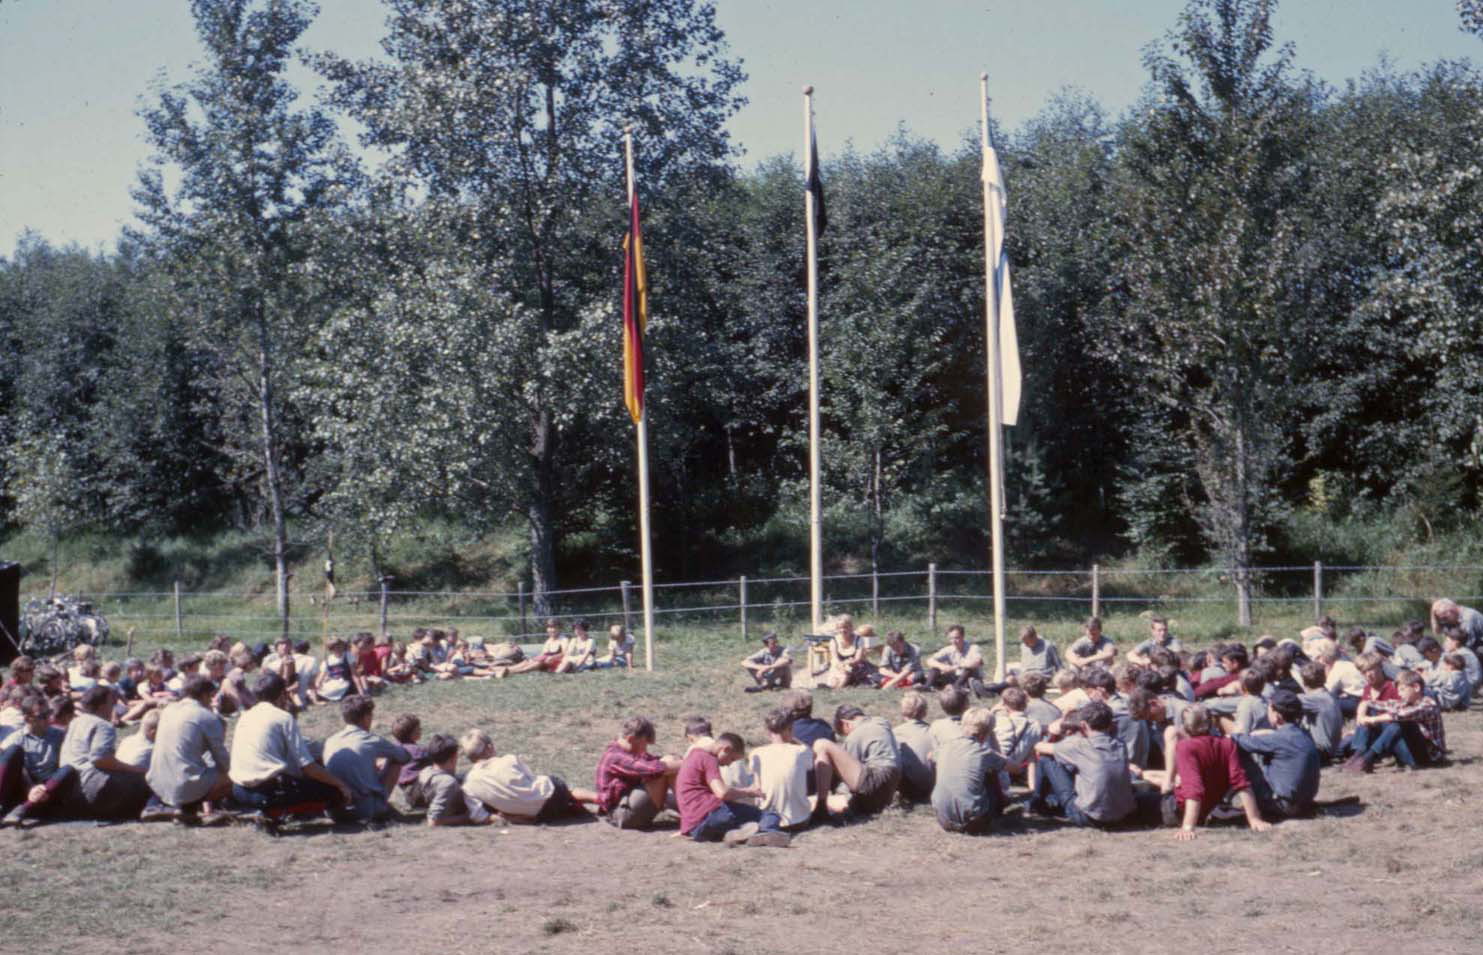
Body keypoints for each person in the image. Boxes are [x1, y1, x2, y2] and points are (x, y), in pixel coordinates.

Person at [228, 672, 351, 814]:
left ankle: (269, 810)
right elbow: (308, 767)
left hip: (238, 790)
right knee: (334, 791)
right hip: (265, 793)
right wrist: (340, 783)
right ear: (282, 694)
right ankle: (274, 813)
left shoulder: (245, 716)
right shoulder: (283, 717)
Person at [1153, 705, 1269, 840]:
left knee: (1141, 799)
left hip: (1178, 810)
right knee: (1151, 777)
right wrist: (1254, 818)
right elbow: (1241, 782)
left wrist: (1188, 826)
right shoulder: (1227, 744)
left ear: (1186, 726)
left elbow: (1193, 788)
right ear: (1211, 723)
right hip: (1207, 807)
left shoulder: (1186, 747)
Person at [1028, 701, 1135, 828]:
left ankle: (1036, 804)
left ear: (1083, 725)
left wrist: (1053, 732)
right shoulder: (1120, 745)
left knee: (1046, 760)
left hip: (1088, 817)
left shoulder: (1080, 745)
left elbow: (1039, 747)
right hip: (1121, 815)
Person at [675, 724, 785, 846]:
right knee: (770, 814)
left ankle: (734, 833)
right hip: (712, 815)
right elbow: (722, 793)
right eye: (731, 759)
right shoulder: (709, 758)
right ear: (725, 749)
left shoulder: (694, 755)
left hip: (695, 829)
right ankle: (765, 832)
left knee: (739, 817)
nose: (728, 764)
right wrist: (749, 792)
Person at [460, 728, 598, 823]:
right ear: (489, 748)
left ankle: (571, 808)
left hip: (537, 816)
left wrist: (508, 818)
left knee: (557, 804)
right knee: (567, 791)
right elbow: (532, 780)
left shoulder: (469, 784)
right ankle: (601, 799)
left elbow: (478, 816)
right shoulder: (508, 760)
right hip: (551, 795)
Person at [146, 675, 234, 822]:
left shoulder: (168, 710)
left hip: (156, 781)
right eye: (210, 696)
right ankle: (189, 806)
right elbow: (222, 760)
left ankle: (177, 809)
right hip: (185, 783)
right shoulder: (206, 716)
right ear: (204, 695)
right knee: (231, 776)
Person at [58, 686, 151, 820]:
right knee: (145, 779)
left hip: (68, 790)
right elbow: (101, 759)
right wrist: (135, 769)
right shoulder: (103, 725)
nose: (113, 706)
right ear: (102, 706)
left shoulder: (75, 722)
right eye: (111, 703)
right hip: (90, 788)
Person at [1230, 690, 1320, 820]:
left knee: (1238, 753)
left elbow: (1244, 743)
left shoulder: (1279, 739)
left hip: (1282, 806)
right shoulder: (1303, 734)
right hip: (1303, 803)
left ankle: (1224, 801)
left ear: (1277, 715)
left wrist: (1233, 736)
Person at [323, 694, 411, 825]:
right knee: (395, 761)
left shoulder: (331, 740)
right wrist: (384, 759)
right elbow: (404, 757)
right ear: (366, 717)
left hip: (335, 810)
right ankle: (381, 806)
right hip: (366, 810)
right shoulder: (370, 740)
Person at [1344, 670, 1446, 773]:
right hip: (1412, 754)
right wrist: (1361, 716)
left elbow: (1401, 715)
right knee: (1373, 712)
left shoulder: (1428, 704)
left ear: (1416, 687)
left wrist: (1372, 719)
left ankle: (1367, 758)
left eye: (1402, 690)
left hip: (1428, 757)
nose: (1399, 694)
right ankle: (1358, 755)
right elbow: (1369, 703)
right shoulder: (1405, 703)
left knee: (1401, 723)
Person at [812, 704, 902, 818]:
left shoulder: (855, 736)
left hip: (875, 780)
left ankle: (821, 807)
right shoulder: (881, 723)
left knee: (822, 744)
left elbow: (845, 777)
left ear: (845, 723)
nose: (846, 736)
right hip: (891, 785)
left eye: (843, 732)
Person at [594, 715, 681, 830]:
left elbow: (652, 761)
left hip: (626, 803)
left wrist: (675, 760)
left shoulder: (628, 749)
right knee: (664, 770)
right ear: (630, 739)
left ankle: (691, 810)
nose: (645, 748)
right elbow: (655, 769)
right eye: (644, 744)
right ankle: (691, 814)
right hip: (622, 815)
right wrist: (689, 763)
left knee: (669, 762)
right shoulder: (616, 756)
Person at [0, 693, 74, 827]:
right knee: (12, 751)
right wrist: (30, 787)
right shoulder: (16, 737)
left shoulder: (59, 735)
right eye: (42, 716)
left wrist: (43, 788)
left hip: (49, 787)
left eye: (49, 713)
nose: (49, 718)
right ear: (28, 718)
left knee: (68, 768)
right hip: (24, 785)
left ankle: (24, 809)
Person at [931, 706, 1004, 835]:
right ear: (986, 734)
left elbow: (930, 756)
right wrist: (993, 739)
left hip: (943, 819)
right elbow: (1015, 768)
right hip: (974, 824)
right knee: (990, 772)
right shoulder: (984, 753)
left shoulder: (946, 745)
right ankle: (995, 809)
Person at [748, 708, 814, 830]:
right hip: (800, 821)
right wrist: (793, 738)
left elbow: (757, 787)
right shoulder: (801, 751)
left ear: (768, 731)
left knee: (750, 779)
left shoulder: (756, 753)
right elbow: (810, 759)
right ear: (791, 729)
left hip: (768, 818)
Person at [420, 734, 491, 826]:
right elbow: (434, 821)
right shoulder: (448, 783)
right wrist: (467, 818)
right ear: (454, 757)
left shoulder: (426, 772)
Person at [1296, 661, 1344, 762]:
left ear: (1304, 682)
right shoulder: (1327, 695)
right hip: (1330, 748)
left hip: (1322, 751)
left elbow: (1286, 701)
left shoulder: (1315, 699)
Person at [892, 692, 936, 801]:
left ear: (902, 711)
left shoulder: (896, 732)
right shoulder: (934, 731)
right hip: (933, 785)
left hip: (910, 788)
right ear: (925, 712)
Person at [822, 615, 877, 689]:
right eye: (840, 628)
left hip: (857, 666)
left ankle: (839, 689)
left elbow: (858, 659)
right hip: (839, 666)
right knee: (836, 679)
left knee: (846, 674)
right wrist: (842, 666)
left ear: (851, 628)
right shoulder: (834, 641)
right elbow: (835, 659)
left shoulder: (858, 639)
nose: (843, 630)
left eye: (845, 627)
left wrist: (848, 664)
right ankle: (837, 687)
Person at [925, 625, 984, 692]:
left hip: (969, 678)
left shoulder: (973, 648)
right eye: (951, 638)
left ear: (963, 636)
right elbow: (929, 660)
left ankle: (957, 686)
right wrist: (942, 666)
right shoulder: (948, 649)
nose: (953, 641)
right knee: (935, 667)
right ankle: (928, 686)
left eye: (956, 638)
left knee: (968, 669)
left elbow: (977, 662)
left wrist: (956, 667)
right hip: (954, 677)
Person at [391, 713, 431, 808]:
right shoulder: (418, 751)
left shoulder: (394, 747)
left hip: (398, 787)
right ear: (412, 734)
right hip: (414, 790)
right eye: (418, 729)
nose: (421, 730)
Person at [316, 636, 361, 701]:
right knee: (318, 689)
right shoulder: (328, 660)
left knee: (338, 688)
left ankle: (327, 696)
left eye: (340, 646)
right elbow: (321, 677)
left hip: (345, 681)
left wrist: (361, 691)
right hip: (332, 681)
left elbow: (354, 675)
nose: (339, 649)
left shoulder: (348, 655)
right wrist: (318, 684)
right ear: (331, 649)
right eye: (336, 648)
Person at [215, 648, 258, 716]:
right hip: (225, 702)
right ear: (249, 664)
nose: (255, 666)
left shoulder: (237, 672)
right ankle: (242, 710)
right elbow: (238, 690)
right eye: (254, 664)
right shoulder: (238, 672)